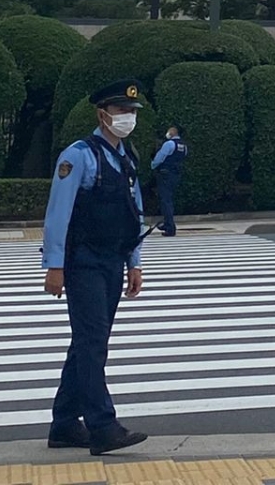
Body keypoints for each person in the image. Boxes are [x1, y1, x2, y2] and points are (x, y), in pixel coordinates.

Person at [40, 79, 149, 457]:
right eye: (122, 111)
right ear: (103, 114)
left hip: (112, 259)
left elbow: (133, 212)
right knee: (92, 343)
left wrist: (134, 261)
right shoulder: (79, 155)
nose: (128, 118)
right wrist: (54, 266)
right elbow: (58, 214)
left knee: (88, 342)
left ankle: (65, 423)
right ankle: (103, 425)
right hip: (83, 261)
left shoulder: (126, 156)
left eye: (132, 112)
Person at [148, 126, 187, 236]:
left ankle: (170, 227)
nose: (168, 132)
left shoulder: (169, 144)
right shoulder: (183, 146)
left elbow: (159, 158)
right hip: (176, 175)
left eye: (170, 130)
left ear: (174, 132)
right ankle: (166, 223)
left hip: (165, 174)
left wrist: (153, 165)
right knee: (168, 199)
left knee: (165, 200)